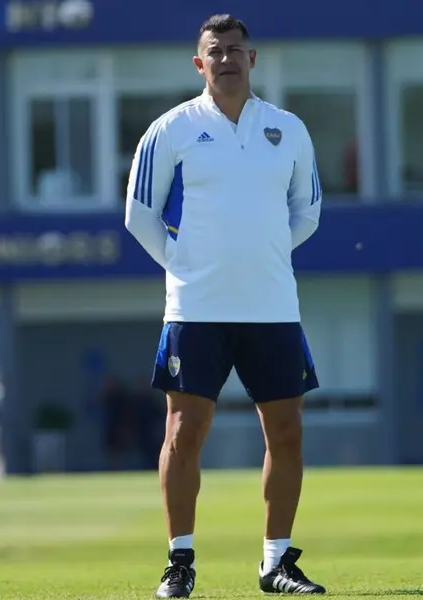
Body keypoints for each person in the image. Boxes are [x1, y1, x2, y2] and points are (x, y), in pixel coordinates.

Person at [123, 13, 326, 599]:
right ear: (199, 63)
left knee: (286, 432)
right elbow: (139, 214)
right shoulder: (172, 130)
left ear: (252, 58)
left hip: (272, 306)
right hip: (196, 309)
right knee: (184, 432)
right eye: (215, 51)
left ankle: (276, 562)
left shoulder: (288, 129)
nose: (226, 59)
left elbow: (308, 212)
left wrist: (263, 255)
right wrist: (183, 263)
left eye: (236, 49)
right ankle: (179, 562)